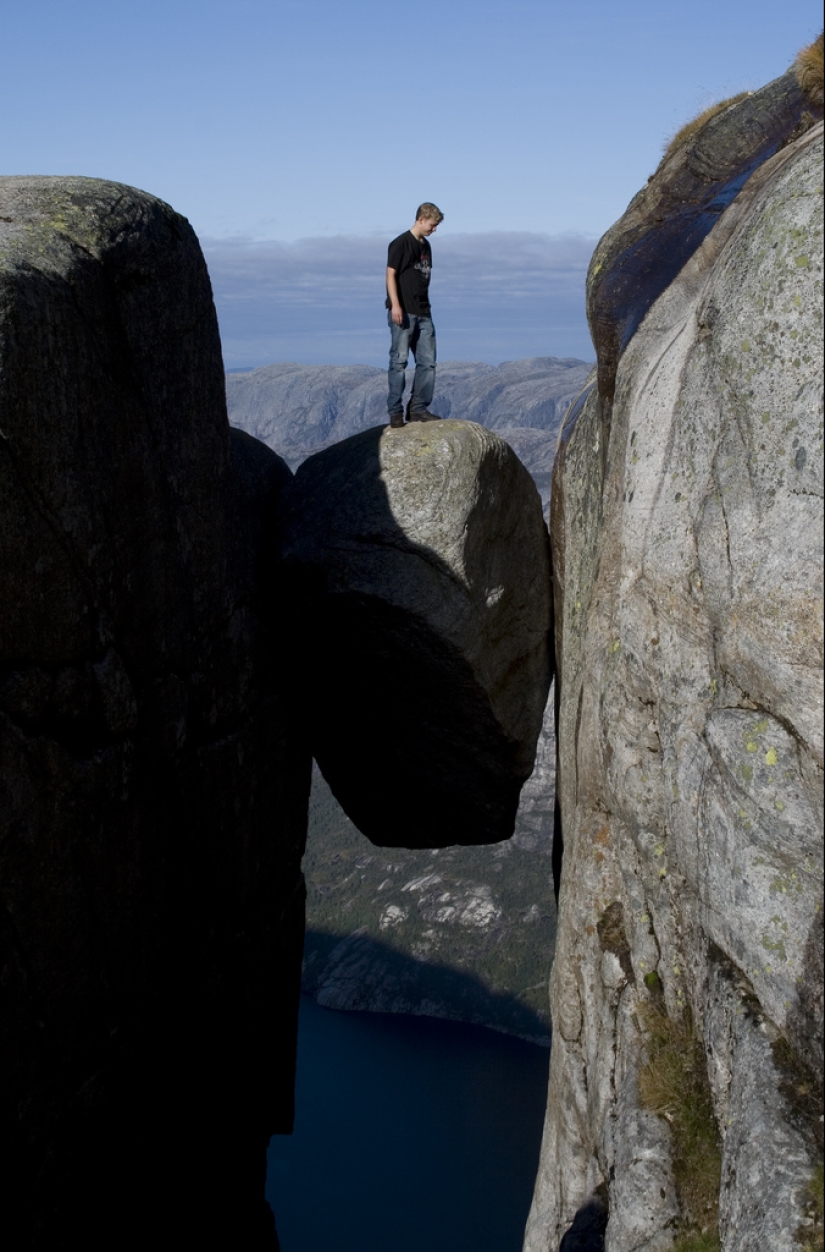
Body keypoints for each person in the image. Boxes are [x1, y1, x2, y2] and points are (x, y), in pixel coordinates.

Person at [385, 203, 444, 427]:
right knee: (399, 362)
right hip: (404, 311)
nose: (434, 229)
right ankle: (395, 412)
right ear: (421, 219)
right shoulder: (400, 243)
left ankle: (418, 408)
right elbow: (390, 274)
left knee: (427, 363)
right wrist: (396, 305)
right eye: (432, 225)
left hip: (424, 312)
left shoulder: (426, 246)